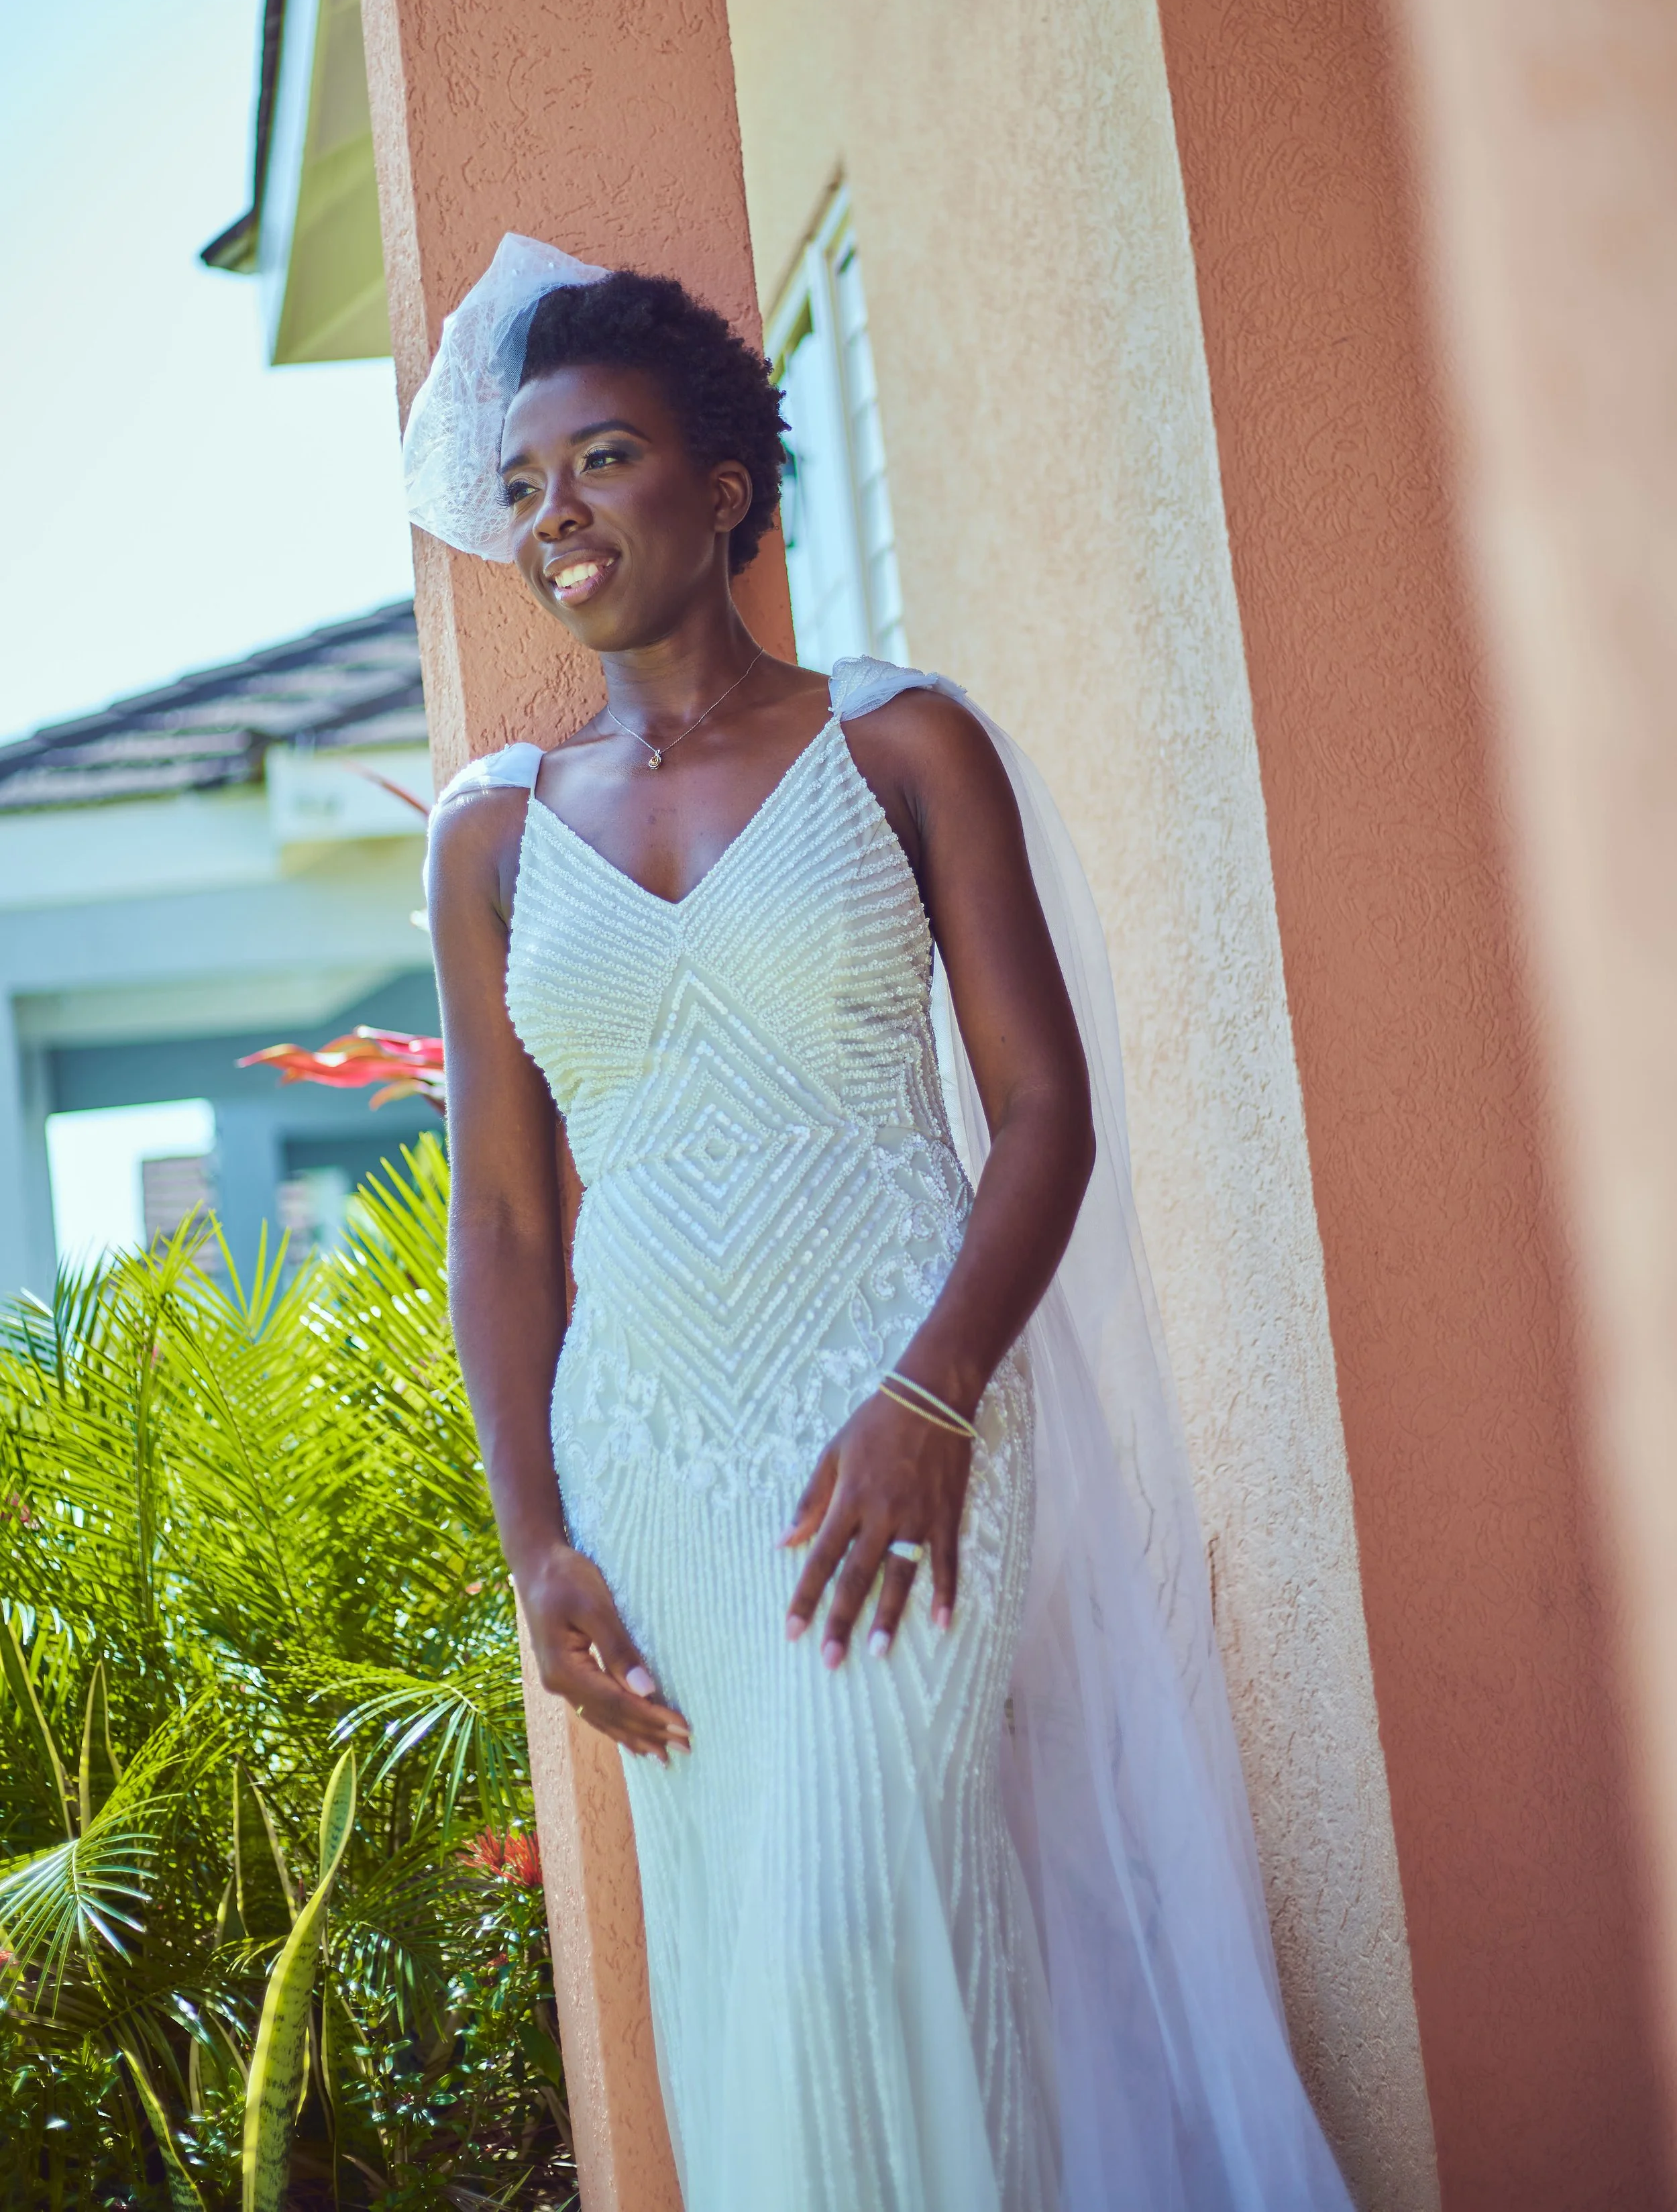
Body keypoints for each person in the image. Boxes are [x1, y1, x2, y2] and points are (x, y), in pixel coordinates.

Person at [416, 237, 1353, 2212]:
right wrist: (535, 1544)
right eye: (523, 483)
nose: (554, 514)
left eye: (599, 459)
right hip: (652, 1460)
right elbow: (502, 1221)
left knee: (869, 1914)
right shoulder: (489, 837)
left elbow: (1040, 1110)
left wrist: (927, 1398)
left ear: (728, 484)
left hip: (901, 1416)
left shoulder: (897, 744)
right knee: (750, 1957)